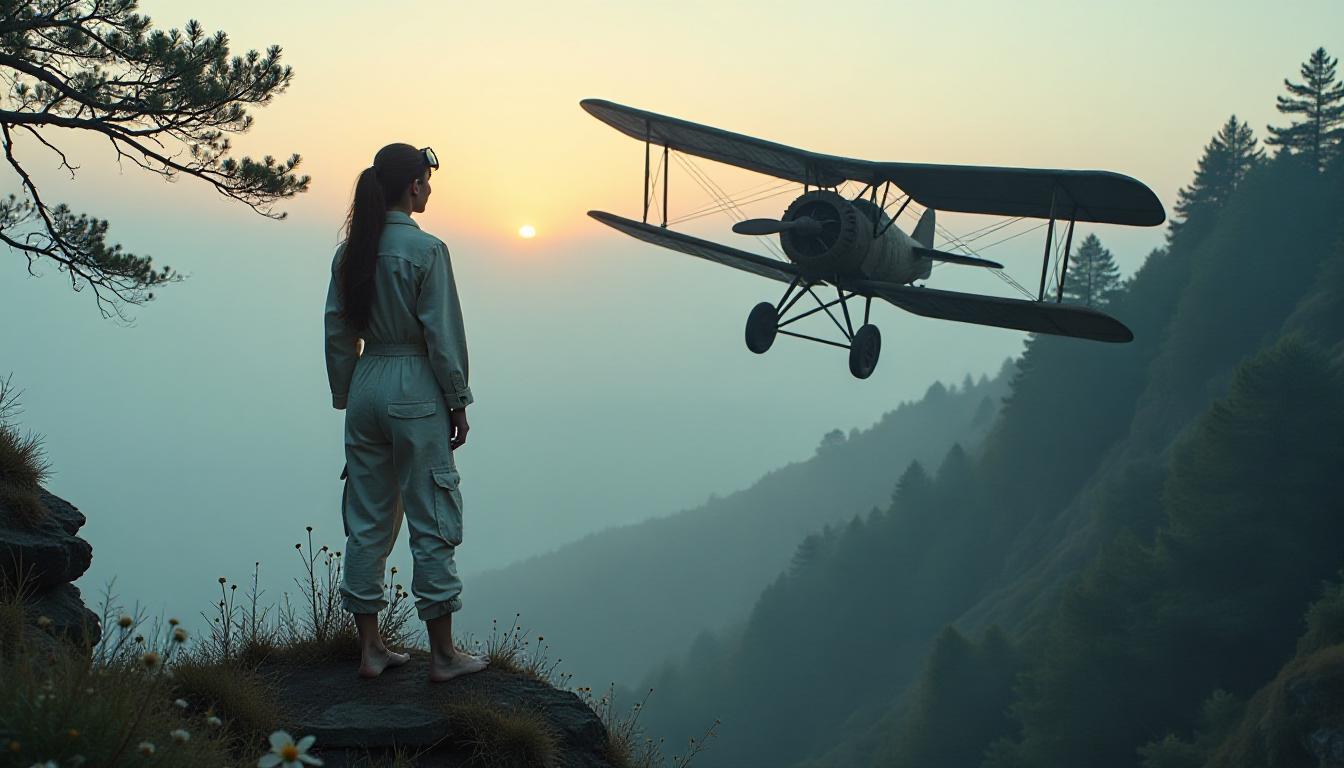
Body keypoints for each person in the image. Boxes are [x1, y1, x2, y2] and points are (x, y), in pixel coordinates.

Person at [324, 143, 488, 682]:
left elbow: (337, 332)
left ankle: (370, 649)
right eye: (426, 180)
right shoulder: (428, 250)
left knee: (368, 520)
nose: (430, 189)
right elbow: (443, 335)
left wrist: (348, 396)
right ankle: (443, 655)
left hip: (367, 383)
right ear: (414, 185)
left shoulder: (351, 252)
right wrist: (457, 400)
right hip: (415, 387)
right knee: (432, 517)